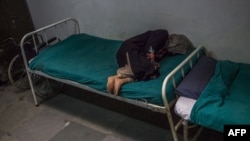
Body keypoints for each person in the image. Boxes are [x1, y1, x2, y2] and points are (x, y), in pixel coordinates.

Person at [107, 29, 170, 95]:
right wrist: (152, 54)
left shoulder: (163, 47)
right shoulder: (163, 33)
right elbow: (149, 51)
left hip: (124, 55)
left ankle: (121, 80)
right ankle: (118, 76)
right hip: (130, 50)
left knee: (147, 68)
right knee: (152, 69)